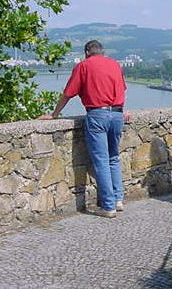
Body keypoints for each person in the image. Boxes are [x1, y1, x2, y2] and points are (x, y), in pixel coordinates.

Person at [39, 40, 128, 218]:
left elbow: (68, 93)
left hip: (97, 115)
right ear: (102, 51)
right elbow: (122, 89)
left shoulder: (84, 66)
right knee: (113, 157)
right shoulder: (115, 65)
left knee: (101, 161)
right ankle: (118, 199)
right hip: (117, 114)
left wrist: (54, 114)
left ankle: (108, 206)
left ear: (87, 52)